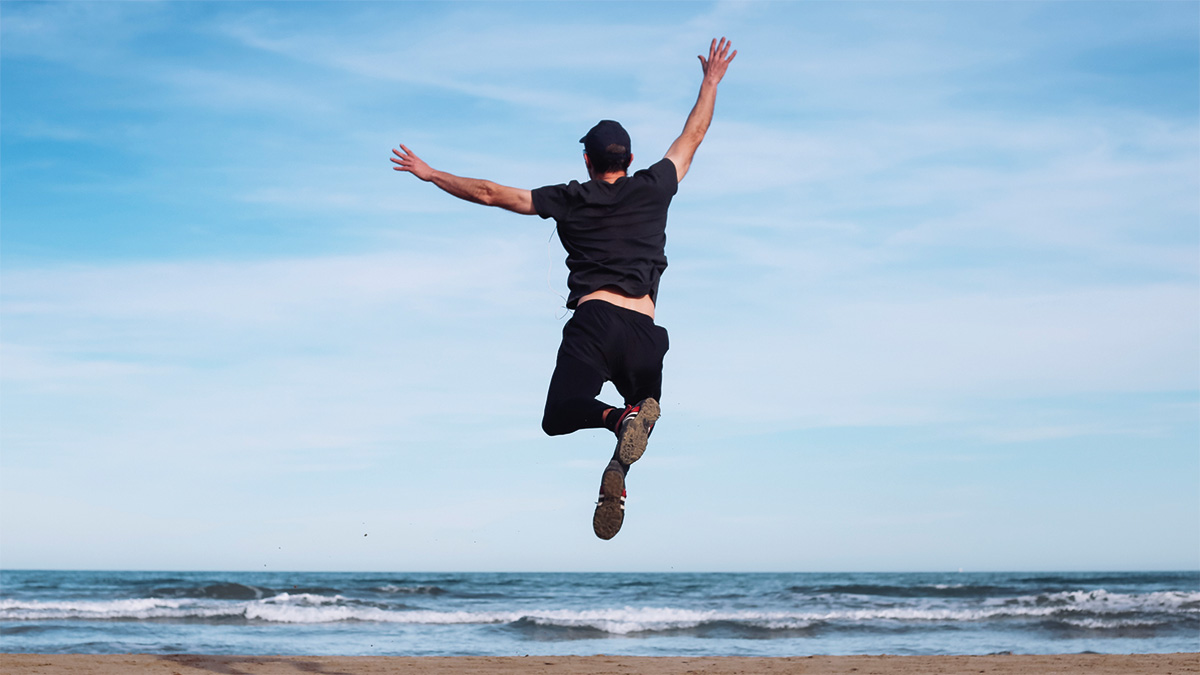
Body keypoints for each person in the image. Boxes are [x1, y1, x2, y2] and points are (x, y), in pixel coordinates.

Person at [391, 38, 736, 540]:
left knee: (559, 414)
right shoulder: (656, 186)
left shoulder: (570, 198)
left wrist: (431, 174)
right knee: (646, 412)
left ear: (587, 161)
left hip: (596, 324)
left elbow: (490, 193)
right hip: (646, 331)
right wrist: (710, 82)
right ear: (630, 158)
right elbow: (694, 135)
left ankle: (617, 420)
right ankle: (620, 462)